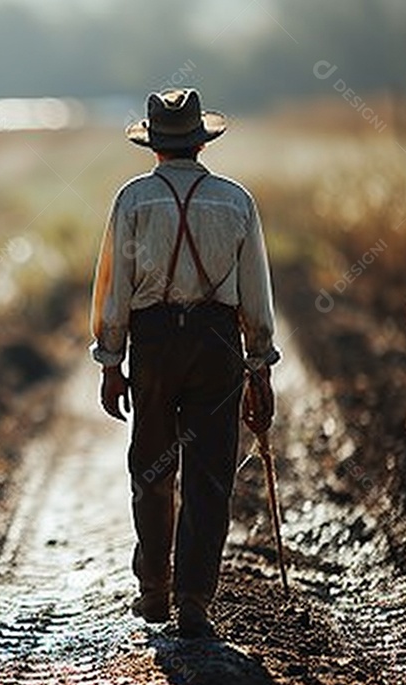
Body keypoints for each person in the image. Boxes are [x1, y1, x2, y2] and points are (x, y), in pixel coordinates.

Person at [89, 88, 279, 638]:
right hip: (217, 344)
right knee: (209, 474)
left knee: (150, 467)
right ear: (200, 142)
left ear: (154, 145)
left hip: (153, 343)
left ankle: (153, 589)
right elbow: (255, 294)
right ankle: (194, 599)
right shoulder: (236, 200)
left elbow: (114, 288)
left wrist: (109, 360)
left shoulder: (132, 200)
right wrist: (259, 364)